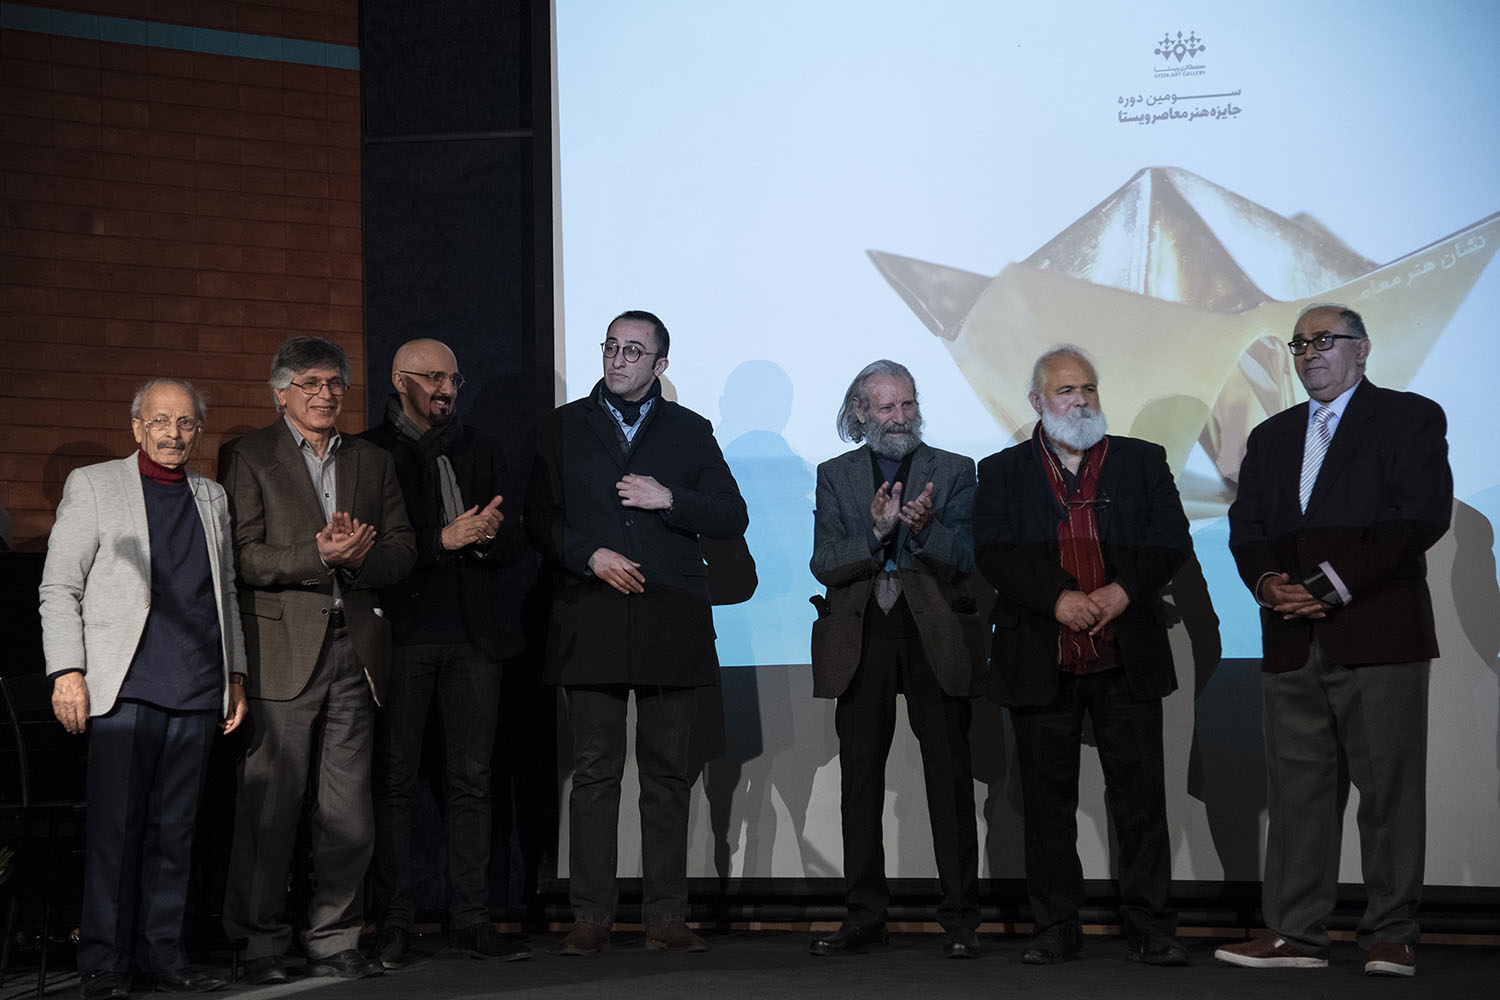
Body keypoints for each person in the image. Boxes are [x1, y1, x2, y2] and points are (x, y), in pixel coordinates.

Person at [1217, 305, 1451, 977]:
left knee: (1389, 795)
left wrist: (1330, 585)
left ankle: (1391, 934)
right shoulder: (1272, 435)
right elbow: (1247, 525)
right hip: (1290, 638)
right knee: (1297, 797)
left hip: (1378, 635)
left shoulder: (1409, 417)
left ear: (1362, 348)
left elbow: (1416, 516)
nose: (1310, 353)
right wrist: (1268, 585)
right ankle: (1295, 934)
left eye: (1325, 340)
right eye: (1299, 344)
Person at [526, 309, 747, 955]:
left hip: (670, 619)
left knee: (667, 775)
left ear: (660, 364)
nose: (618, 359)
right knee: (596, 774)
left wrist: (668, 498)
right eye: (611, 347)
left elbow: (731, 515)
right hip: (590, 617)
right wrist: (587, 555)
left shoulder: (690, 431)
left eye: (633, 350)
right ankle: (591, 917)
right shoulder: (563, 426)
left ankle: (665, 916)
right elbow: (538, 517)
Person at [971, 345, 1192, 967]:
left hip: (1125, 654)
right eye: (1065, 391)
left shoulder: (1142, 461)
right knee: (1046, 806)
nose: (1080, 401)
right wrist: (1057, 599)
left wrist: (1122, 592)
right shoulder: (1002, 470)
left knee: (1140, 802)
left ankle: (1149, 926)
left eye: (1088, 388)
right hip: (1043, 656)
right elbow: (993, 550)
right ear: (1037, 402)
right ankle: (1056, 926)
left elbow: (1170, 539)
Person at [39, 378, 247, 999]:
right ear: (137, 427)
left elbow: (225, 590)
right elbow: (59, 586)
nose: (172, 434)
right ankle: (105, 965)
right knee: (116, 834)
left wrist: (235, 675)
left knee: (174, 835)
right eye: (160, 420)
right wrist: (66, 670)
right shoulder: (94, 484)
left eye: (185, 423)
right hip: (124, 689)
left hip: (198, 688)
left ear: (198, 431)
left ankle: (163, 958)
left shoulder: (212, 496)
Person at [219, 337, 415, 983]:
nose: (325, 394)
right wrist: (318, 555)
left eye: (334, 383)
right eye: (310, 383)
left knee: (348, 812)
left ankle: (334, 937)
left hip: (355, 652)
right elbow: (242, 555)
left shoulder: (371, 460)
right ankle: (259, 944)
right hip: (281, 653)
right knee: (270, 810)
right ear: (281, 393)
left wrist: (357, 560)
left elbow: (402, 549)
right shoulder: (249, 455)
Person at [807, 360, 986, 959]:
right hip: (863, 633)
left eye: (907, 405)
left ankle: (960, 920)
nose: (900, 417)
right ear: (860, 412)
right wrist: (876, 534)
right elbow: (824, 563)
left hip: (933, 631)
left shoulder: (954, 470)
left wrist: (926, 530)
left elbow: (967, 558)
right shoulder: (835, 475)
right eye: (886, 407)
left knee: (949, 779)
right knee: (860, 781)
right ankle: (864, 917)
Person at [361, 338, 530, 967]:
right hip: (403, 637)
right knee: (395, 782)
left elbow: (515, 546)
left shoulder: (481, 448)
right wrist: (443, 539)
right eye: (433, 377)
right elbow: (373, 552)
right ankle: (394, 920)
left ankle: (473, 918)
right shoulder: (370, 453)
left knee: (473, 781)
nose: (446, 389)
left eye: (454, 378)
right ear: (400, 381)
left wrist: (486, 537)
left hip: (474, 640)